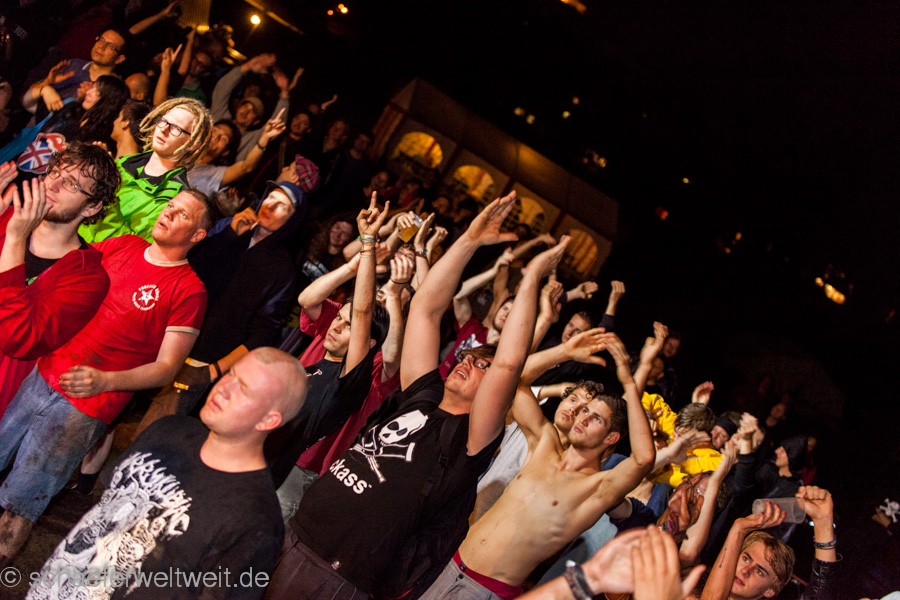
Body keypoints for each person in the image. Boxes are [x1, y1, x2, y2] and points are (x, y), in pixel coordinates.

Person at [265, 192, 570, 600]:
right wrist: (470, 240)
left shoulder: (470, 438)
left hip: (337, 576)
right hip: (297, 533)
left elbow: (509, 363)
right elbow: (426, 309)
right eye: (469, 357)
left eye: (482, 366)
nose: (468, 362)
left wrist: (530, 278)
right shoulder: (422, 395)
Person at [0, 189, 211, 566]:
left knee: (22, 501)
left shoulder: (189, 289)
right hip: (42, 373)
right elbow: (67, 268)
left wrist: (105, 381)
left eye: (182, 214)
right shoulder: (124, 245)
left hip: (85, 406)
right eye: (170, 206)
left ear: (198, 235)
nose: (167, 213)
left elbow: (166, 367)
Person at [27, 348, 309, 599]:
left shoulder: (256, 520)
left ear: (269, 419)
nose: (224, 388)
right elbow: (105, 510)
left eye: (244, 389)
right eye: (231, 375)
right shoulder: (169, 430)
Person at [421, 326, 655, 599]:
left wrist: (629, 383)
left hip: (484, 590)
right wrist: (565, 351)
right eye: (584, 410)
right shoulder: (544, 444)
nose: (582, 417)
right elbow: (517, 380)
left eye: (596, 419)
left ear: (611, 437)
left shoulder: (597, 488)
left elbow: (644, 459)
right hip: (449, 563)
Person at [134, 180, 307, 437]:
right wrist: (229, 236)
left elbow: (263, 333)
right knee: (118, 406)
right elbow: (188, 265)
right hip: (166, 337)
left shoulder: (282, 270)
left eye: (282, 206)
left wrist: (213, 370)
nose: (270, 206)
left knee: (155, 430)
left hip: (202, 359)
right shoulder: (231, 230)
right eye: (270, 197)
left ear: (292, 220)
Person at [0, 144, 120, 415]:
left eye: (70, 183)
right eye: (54, 172)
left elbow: (18, 339)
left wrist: (16, 239)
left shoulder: (87, 278)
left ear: (92, 207)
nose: (52, 185)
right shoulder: (7, 216)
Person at [80, 97, 212, 242]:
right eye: (164, 121)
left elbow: (130, 248)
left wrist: (106, 192)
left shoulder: (172, 201)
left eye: (176, 128)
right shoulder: (124, 163)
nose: (164, 129)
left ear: (192, 144)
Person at [22, 30, 127, 116]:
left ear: (119, 59)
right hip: (38, 123)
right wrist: (47, 82)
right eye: (101, 40)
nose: (101, 47)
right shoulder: (74, 64)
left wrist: (84, 102)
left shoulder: (114, 89)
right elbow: (28, 97)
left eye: (110, 46)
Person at [211, 53, 291, 161]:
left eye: (252, 111)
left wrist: (285, 93)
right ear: (238, 108)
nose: (246, 112)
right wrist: (246, 67)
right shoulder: (221, 118)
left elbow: (276, 123)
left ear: (256, 121)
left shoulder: (253, 138)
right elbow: (221, 91)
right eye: (245, 106)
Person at [188, 116, 285, 196]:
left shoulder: (216, 174)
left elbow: (246, 167)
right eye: (215, 130)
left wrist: (265, 137)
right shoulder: (183, 149)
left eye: (224, 139)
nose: (216, 137)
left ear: (225, 152)